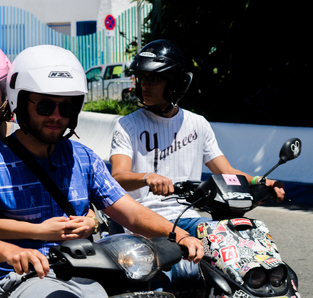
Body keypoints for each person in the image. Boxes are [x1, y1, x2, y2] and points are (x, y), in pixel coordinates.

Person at [0, 44, 204, 298]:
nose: (56, 116)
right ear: (18, 101)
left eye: (66, 108)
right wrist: (11, 252)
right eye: (44, 106)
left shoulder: (83, 158)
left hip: (87, 274)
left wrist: (180, 236)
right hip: (26, 279)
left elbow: (130, 212)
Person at [109, 39, 285, 290]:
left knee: (233, 245)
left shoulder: (197, 124)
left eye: (154, 78)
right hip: (144, 222)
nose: (144, 85)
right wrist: (147, 177)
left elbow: (226, 171)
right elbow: (118, 175)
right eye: (142, 77)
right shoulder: (128, 125)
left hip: (188, 216)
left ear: (175, 82)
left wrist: (262, 181)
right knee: (159, 282)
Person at [0, 41, 96, 298]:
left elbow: (76, 190)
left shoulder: (34, 131)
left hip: (55, 250)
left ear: (7, 89)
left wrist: (90, 219)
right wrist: (40, 230)